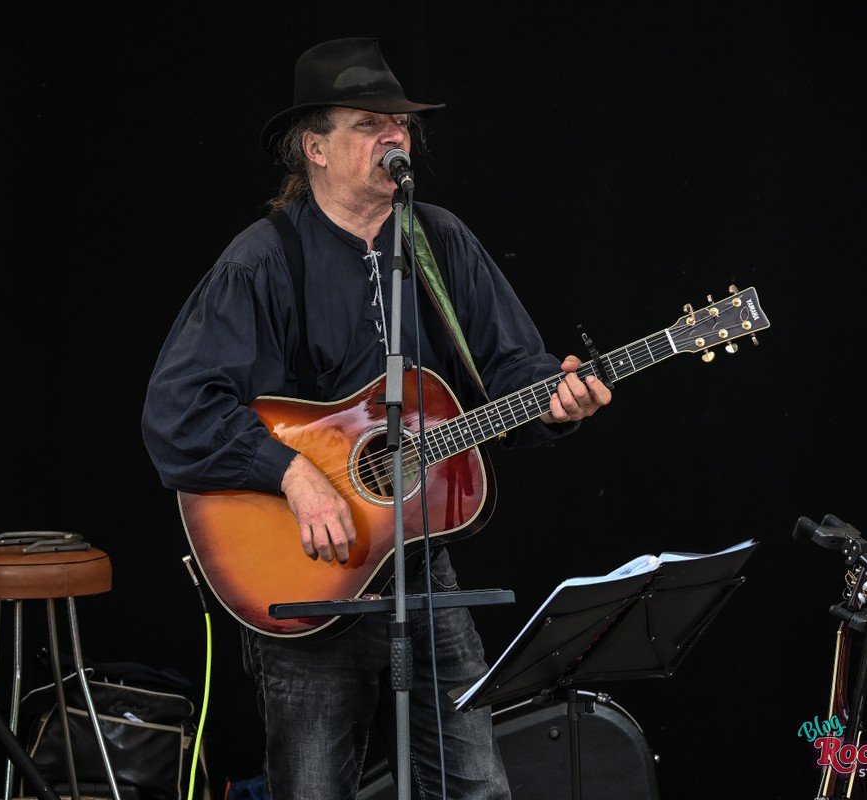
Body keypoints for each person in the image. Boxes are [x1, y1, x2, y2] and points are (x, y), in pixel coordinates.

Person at [142, 37, 611, 800]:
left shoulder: (441, 240)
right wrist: (292, 474)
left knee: (478, 788)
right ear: (314, 148)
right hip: (305, 575)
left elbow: (511, 371)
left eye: (399, 123)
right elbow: (175, 411)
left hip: (420, 569)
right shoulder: (261, 261)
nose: (395, 135)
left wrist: (558, 399)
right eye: (368, 123)